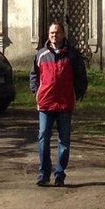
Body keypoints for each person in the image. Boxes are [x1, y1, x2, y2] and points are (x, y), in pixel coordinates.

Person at [29, 18, 88, 187]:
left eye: (57, 32)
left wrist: (75, 94)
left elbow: (81, 77)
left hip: (64, 104)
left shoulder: (72, 54)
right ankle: (43, 173)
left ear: (63, 34)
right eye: (51, 33)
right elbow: (34, 75)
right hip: (46, 104)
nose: (54, 35)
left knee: (64, 141)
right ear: (49, 35)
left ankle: (60, 174)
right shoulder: (41, 54)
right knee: (43, 138)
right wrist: (36, 92)